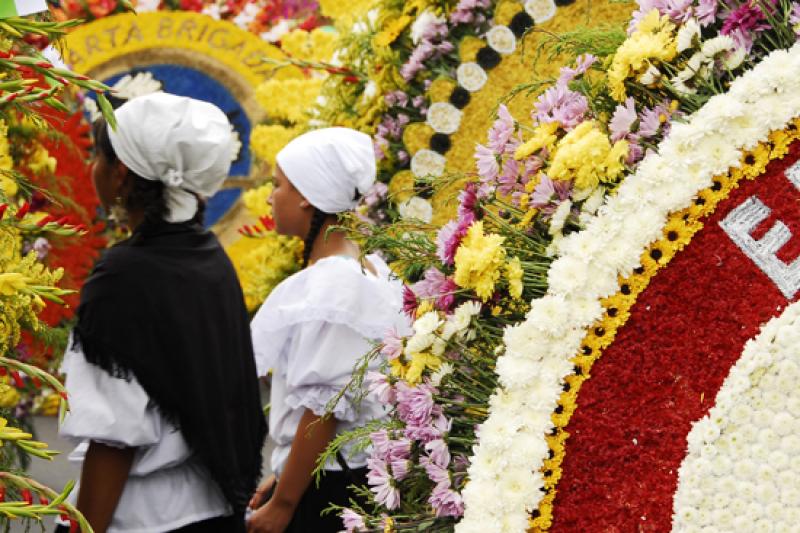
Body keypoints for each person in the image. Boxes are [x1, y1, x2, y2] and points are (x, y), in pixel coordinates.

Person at [54, 93, 266, 533]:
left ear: (122, 174)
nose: (93, 167)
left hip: (142, 520)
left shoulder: (123, 278)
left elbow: (114, 436)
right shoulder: (208, 257)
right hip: (214, 510)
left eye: (98, 156)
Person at [248, 128, 409, 532]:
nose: (271, 197)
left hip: (331, 489)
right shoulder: (367, 268)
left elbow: (325, 410)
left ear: (306, 195)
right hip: (329, 474)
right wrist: (284, 474)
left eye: (278, 185)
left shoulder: (336, 287)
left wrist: (285, 503)